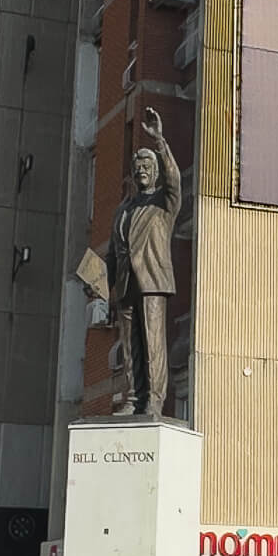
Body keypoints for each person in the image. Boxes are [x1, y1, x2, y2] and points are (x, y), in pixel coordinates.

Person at [105, 108, 186, 418]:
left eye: (147, 164)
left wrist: (160, 143)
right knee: (130, 346)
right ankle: (133, 397)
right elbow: (114, 252)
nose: (141, 169)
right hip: (125, 285)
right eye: (137, 164)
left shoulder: (164, 203)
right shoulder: (122, 210)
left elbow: (175, 182)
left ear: (155, 171)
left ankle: (154, 398)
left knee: (153, 344)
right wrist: (100, 281)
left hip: (152, 281)